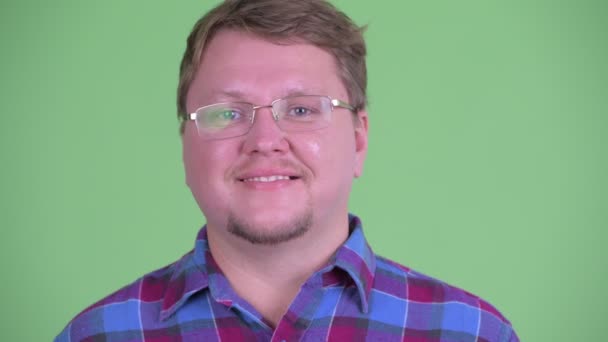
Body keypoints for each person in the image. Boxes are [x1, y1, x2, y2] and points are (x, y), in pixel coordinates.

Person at [56, 0, 519, 341]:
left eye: (300, 110)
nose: (264, 141)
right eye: (228, 113)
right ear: (185, 146)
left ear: (359, 139)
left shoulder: (473, 334)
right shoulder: (95, 335)